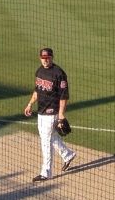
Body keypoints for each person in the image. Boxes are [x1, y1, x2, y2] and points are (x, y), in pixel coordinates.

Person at [22, 47, 76, 181]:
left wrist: (61, 115)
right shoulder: (39, 71)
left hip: (52, 113)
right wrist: (30, 104)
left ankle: (46, 172)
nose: (45, 60)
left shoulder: (59, 74)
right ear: (40, 58)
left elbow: (64, 96)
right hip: (40, 112)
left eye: (47, 58)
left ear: (52, 57)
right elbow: (37, 90)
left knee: (45, 141)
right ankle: (67, 154)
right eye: (43, 58)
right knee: (52, 136)